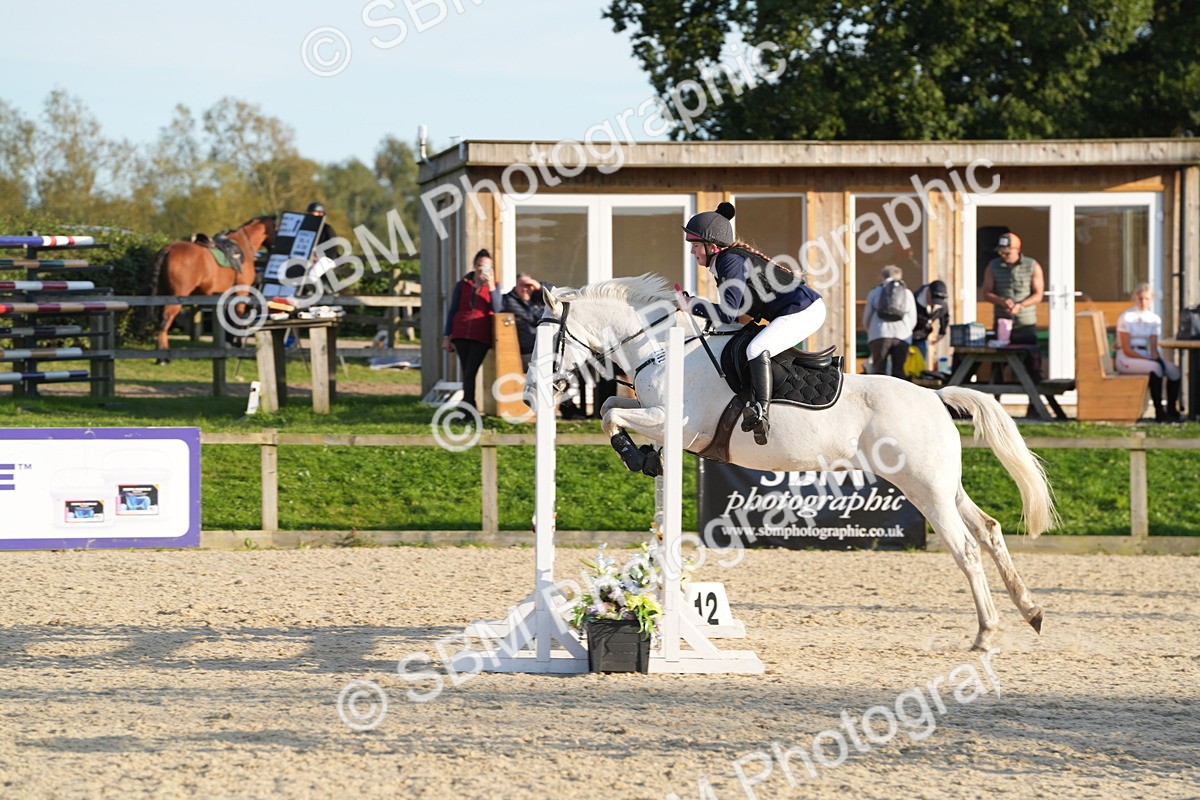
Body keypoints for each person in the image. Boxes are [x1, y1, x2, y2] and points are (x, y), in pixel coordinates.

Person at [680, 202, 825, 445]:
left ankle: (760, 412)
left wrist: (693, 304)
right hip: (795, 309)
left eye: (695, 245)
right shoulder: (726, 262)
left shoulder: (730, 262)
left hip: (804, 311)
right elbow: (736, 314)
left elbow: (727, 314)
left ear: (713, 247)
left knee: (756, 349)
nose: (693, 251)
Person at [1115, 283, 1181, 422]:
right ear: (1135, 298)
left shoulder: (1154, 319)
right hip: (1127, 356)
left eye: (1146, 299)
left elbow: (1153, 348)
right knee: (1155, 368)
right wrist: (1151, 361)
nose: (1143, 302)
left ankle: (1171, 409)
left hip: (1144, 355)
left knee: (1173, 371)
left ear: (1152, 300)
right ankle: (1159, 410)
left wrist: (1157, 359)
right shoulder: (1127, 317)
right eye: (1140, 299)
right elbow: (1126, 349)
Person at [443, 249, 496, 411]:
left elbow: (498, 308)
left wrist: (492, 287)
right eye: (480, 266)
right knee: (467, 371)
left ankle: (466, 407)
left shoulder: (493, 287)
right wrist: (447, 335)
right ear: (474, 266)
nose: (483, 270)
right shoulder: (463, 284)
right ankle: (468, 406)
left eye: (487, 267)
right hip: (461, 332)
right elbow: (453, 310)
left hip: (481, 335)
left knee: (469, 371)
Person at [981, 232, 1044, 345]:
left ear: (1017, 250)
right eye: (1001, 252)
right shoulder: (993, 266)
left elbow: (1038, 295)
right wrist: (1001, 301)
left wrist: (1020, 305)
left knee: (1028, 358)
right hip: (1002, 321)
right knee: (1001, 358)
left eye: (1007, 252)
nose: (1003, 255)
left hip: (1025, 322)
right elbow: (986, 293)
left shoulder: (1032, 265)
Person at [863, 265, 918, 379]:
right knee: (899, 371)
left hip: (879, 334)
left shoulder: (875, 292)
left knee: (879, 372)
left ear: (883, 277)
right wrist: (907, 331)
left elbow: (867, 316)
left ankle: (878, 397)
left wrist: (871, 331)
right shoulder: (907, 293)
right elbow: (913, 318)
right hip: (902, 336)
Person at [500, 273, 549, 370]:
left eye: (528, 286)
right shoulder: (507, 300)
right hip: (526, 351)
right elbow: (532, 318)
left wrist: (540, 286)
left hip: (545, 349)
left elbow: (556, 296)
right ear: (515, 286)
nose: (525, 289)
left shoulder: (539, 298)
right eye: (522, 285)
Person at [912, 279, 951, 363]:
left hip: (922, 337)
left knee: (920, 365)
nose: (933, 303)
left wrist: (941, 333)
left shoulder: (942, 303)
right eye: (932, 300)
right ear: (928, 292)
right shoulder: (915, 300)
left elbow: (945, 317)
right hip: (909, 336)